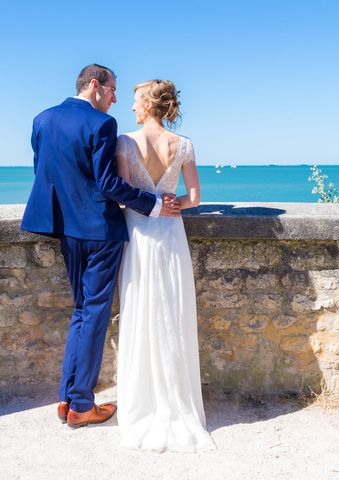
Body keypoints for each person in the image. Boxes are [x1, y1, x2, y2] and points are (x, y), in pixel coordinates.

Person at [20, 64, 180, 428]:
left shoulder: (42, 119)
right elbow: (109, 184)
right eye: (112, 90)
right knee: (93, 314)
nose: (115, 98)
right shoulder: (101, 124)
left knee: (80, 311)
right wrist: (154, 205)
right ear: (95, 85)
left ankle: (67, 398)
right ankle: (81, 404)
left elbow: (43, 172)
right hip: (101, 234)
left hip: (65, 230)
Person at [115, 79, 215, 451]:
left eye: (135, 101)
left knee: (142, 311)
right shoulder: (184, 144)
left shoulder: (125, 142)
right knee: (171, 314)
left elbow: (125, 198)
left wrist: (152, 204)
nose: (131, 108)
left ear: (146, 104)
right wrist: (171, 206)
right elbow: (194, 198)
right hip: (172, 235)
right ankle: (175, 400)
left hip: (139, 236)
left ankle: (143, 400)